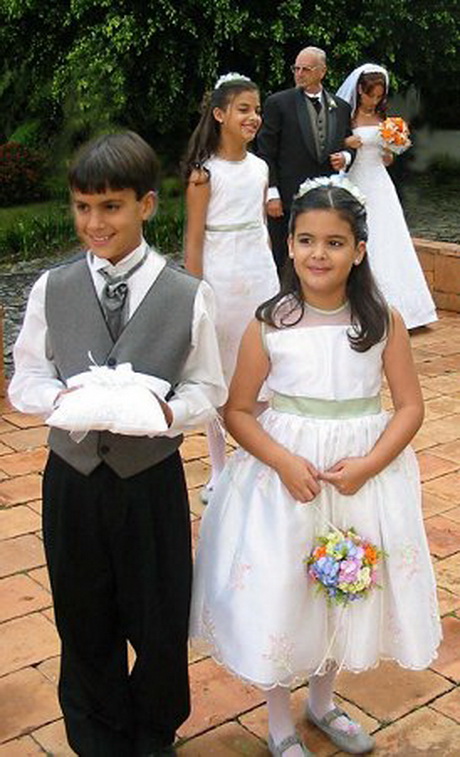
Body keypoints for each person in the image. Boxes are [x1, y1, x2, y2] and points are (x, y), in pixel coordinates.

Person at [190, 177, 441, 756]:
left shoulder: (381, 320)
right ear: (290, 247)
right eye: (306, 241)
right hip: (288, 480)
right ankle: (280, 721)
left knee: (342, 588)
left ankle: (322, 703)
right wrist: (279, 461)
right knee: (287, 589)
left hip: (358, 478)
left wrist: (371, 464)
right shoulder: (270, 320)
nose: (318, 254)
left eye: (334, 242)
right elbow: (238, 411)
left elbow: (409, 406)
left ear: (359, 250)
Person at [8, 131, 227, 757]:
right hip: (71, 481)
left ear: (147, 205)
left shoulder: (188, 295)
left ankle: (153, 732)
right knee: (83, 616)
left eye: (111, 207)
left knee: (159, 622)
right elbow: (26, 375)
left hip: (149, 481)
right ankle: (96, 734)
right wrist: (63, 400)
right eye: (82, 207)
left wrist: (163, 409)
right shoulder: (54, 287)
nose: (94, 222)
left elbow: (207, 389)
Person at [184, 72, 279, 503]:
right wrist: (194, 292)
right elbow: (194, 237)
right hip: (221, 278)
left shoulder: (259, 168)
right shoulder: (205, 174)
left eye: (256, 110)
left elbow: (260, 226)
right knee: (219, 370)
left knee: (263, 365)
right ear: (220, 114)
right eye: (244, 109)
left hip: (258, 274)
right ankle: (219, 466)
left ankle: (259, 456)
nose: (253, 117)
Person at [336, 63, 437, 329]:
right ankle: (360, 306)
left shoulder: (384, 120)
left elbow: (388, 158)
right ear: (360, 90)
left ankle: (406, 310)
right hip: (355, 180)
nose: (375, 100)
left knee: (390, 236)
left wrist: (391, 151)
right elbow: (333, 145)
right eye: (371, 95)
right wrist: (347, 143)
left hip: (379, 180)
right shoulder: (346, 117)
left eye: (380, 95)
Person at [257, 46, 355, 272]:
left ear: (322, 71)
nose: (299, 74)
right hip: (286, 196)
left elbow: (349, 142)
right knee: (283, 256)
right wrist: (272, 193)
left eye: (306, 69)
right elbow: (265, 150)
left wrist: (346, 157)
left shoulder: (341, 107)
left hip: (324, 196)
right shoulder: (278, 103)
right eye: (296, 68)